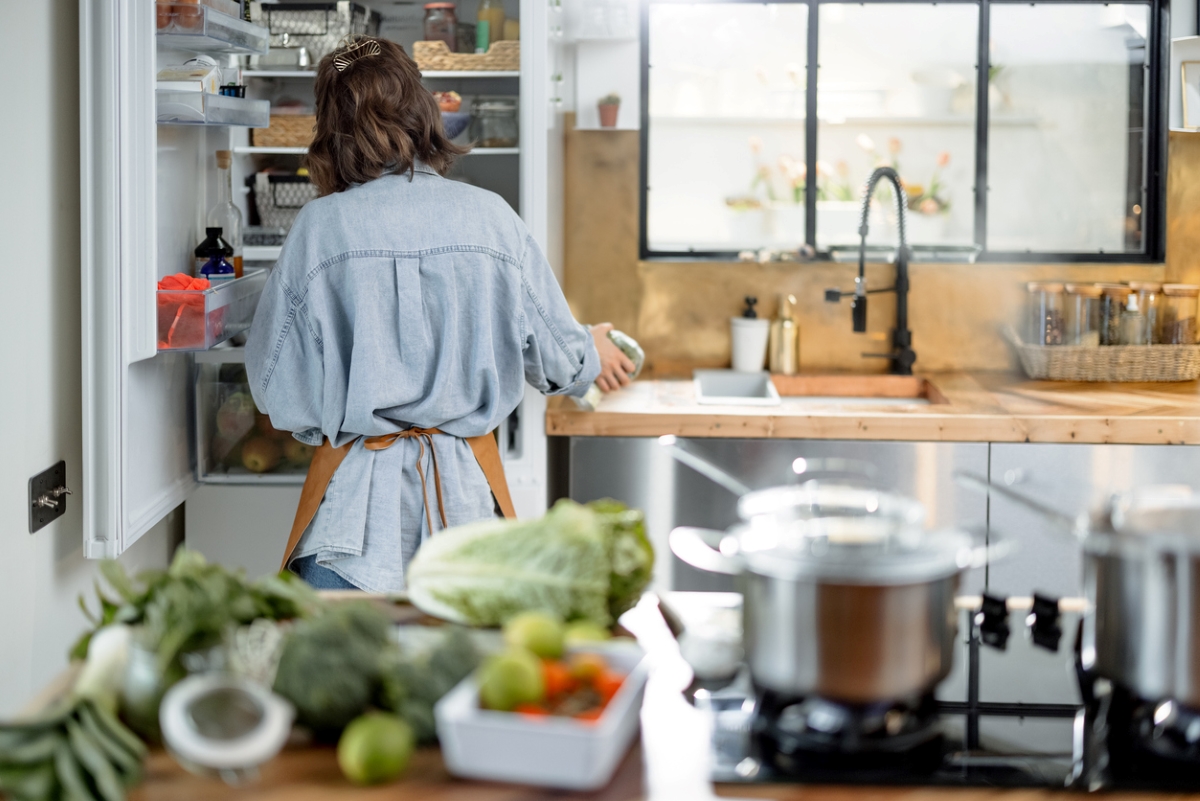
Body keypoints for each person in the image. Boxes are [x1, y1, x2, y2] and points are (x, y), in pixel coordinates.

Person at [245, 35, 634, 593]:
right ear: (424, 110)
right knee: (470, 678)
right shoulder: (492, 218)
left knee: (347, 679)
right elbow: (559, 361)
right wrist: (591, 348)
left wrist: (348, 412)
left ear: (330, 133)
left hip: (349, 537)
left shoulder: (319, 229)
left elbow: (277, 392)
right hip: (470, 523)